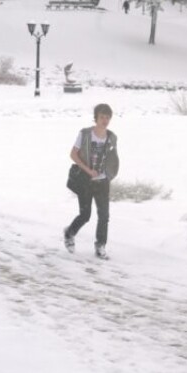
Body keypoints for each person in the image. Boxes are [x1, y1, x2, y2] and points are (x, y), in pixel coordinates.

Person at [64, 104, 119, 258]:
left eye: (108, 117)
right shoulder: (85, 134)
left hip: (102, 182)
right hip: (86, 180)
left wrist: (108, 174)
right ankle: (69, 233)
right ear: (96, 117)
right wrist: (88, 170)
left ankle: (100, 246)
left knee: (104, 216)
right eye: (102, 117)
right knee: (85, 215)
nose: (105, 120)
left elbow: (113, 159)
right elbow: (73, 154)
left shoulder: (112, 138)